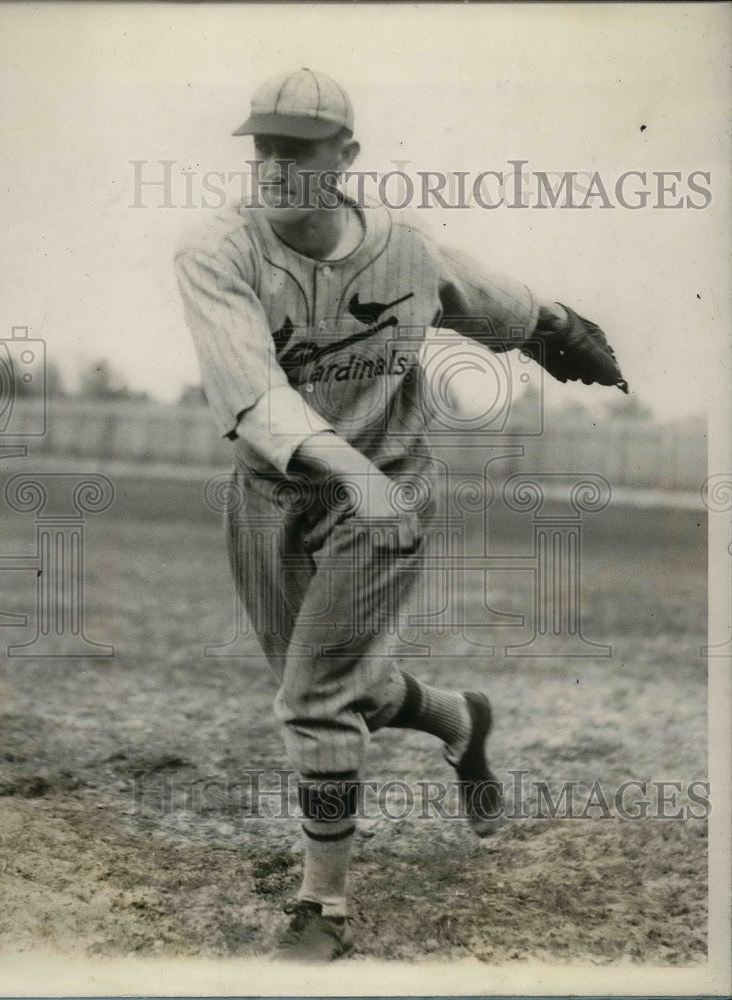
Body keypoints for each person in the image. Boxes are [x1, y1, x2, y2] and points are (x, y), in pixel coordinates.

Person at [174, 67, 625, 962]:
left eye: (297, 147)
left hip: (387, 492)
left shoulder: (405, 250)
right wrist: (340, 469)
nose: (274, 164)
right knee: (342, 689)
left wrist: (564, 329)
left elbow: (504, 306)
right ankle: (460, 719)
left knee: (313, 699)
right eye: (262, 145)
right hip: (271, 495)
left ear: (344, 156)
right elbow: (254, 397)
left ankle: (324, 910)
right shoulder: (215, 252)